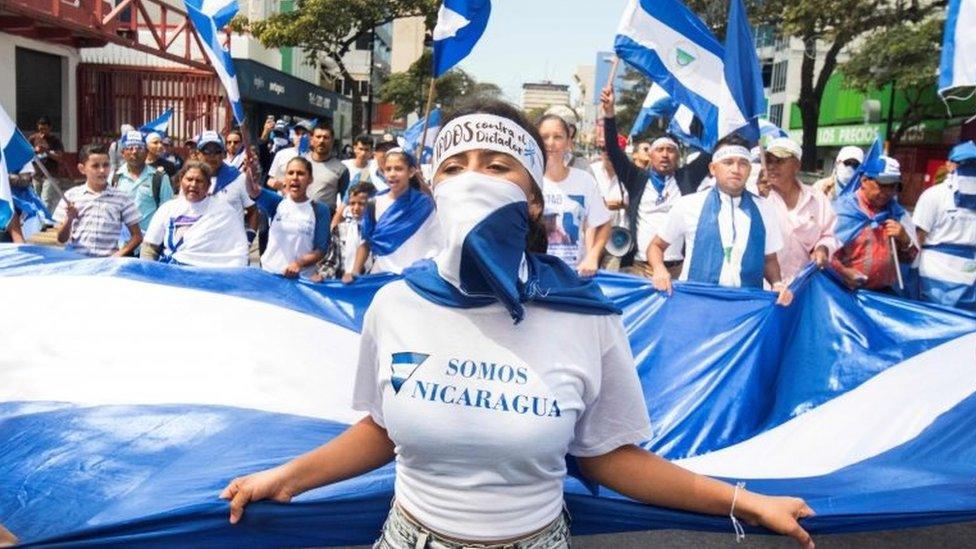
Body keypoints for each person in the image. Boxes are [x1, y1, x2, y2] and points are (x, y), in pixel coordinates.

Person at [219, 100, 816, 549]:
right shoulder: (396, 306)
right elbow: (384, 427)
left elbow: (609, 456)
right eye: (454, 166)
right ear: (436, 190)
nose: (473, 178)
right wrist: (287, 477)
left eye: (497, 165)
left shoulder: (584, 318)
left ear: (534, 200)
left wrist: (746, 502)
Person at [648, 135, 793, 306]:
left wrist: (777, 283)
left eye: (743, 163)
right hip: (696, 304)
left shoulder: (765, 208)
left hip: (745, 308)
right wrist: (659, 269)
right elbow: (655, 246)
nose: (736, 169)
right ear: (713, 168)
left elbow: (769, 259)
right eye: (728, 162)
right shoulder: (688, 204)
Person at [600, 87, 709, 277]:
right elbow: (614, 151)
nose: (665, 155)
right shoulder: (637, 179)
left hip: (678, 270)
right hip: (640, 268)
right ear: (650, 155)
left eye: (670, 150)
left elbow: (710, 151)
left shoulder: (687, 179)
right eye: (659, 150)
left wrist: (714, 111)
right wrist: (609, 114)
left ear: (678, 155)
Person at [345, 148, 440, 281]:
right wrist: (354, 272)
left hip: (414, 280)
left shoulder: (425, 205)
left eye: (398, 169)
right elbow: (366, 242)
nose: (392, 174)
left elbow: (436, 243)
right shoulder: (373, 203)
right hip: (380, 278)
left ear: (411, 172)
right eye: (388, 169)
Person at [538, 113, 612, 276]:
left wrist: (593, 256)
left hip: (575, 275)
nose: (551, 143)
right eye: (544, 137)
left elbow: (604, 224)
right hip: (538, 275)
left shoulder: (584, 180)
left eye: (558, 137)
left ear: (569, 143)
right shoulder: (528, 182)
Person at [832, 155, 919, 292]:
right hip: (846, 293)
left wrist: (905, 240)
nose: (887, 192)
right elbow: (822, 253)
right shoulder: (843, 212)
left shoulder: (897, 214)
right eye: (882, 185)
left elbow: (910, 260)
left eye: (893, 186)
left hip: (883, 295)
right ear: (864, 180)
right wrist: (843, 272)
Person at [141, 161, 249, 267]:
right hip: (168, 275)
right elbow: (149, 248)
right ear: (180, 180)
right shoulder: (167, 209)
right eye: (189, 179)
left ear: (208, 185)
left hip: (207, 277)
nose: (193, 185)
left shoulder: (224, 212)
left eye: (199, 181)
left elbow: (238, 253)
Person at [762, 137, 839, 283]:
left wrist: (823, 248)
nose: (772, 166)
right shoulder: (758, 197)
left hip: (805, 286)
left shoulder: (817, 199)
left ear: (797, 165)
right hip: (766, 289)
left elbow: (830, 235)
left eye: (779, 160)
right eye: (769, 161)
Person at [912, 141, 976, 310]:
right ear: (948, 165)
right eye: (962, 163)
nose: (968, 167)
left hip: (970, 277)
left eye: (973, 163)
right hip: (935, 276)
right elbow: (917, 237)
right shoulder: (933, 196)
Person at [54, 144, 143, 257]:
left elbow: (137, 236)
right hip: (77, 263)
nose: (102, 170)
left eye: (106, 165)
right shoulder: (71, 197)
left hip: (107, 266)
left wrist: (118, 255)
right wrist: (69, 219)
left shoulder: (122, 198)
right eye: (95, 166)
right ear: (82, 169)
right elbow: (61, 239)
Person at [254, 156, 331, 279]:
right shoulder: (276, 203)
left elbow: (320, 250)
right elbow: (253, 190)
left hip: (301, 280)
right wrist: (250, 171)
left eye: (300, 174)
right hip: (270, 275)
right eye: (290, 173)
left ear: (310, 179)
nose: (295, 177)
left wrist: (298, 264)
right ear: (285, 178)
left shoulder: (320, 210)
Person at [111, 130, 174, 253]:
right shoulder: (114, 177)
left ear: (146, 152)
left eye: (139, 147)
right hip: (120, 246)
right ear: (123, 152)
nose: (134, 152)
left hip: (149, 247)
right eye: (129, 147)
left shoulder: (159, 178)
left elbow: (168, 213)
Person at [195, 130, 259, 243]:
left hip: (231, 249)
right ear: (198, 154)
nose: (212, 156)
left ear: (224, 154)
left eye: (217, 151)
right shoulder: (190, 180)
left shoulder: (238, 178)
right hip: (199, 247)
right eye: (206, 151)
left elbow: (253, 211)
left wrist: (248, 240)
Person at [317, 181, 377, 280]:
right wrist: (322, 275)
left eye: (361, 204)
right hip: (344, 283)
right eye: (352, 203)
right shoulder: (340, 229)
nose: (356, 208)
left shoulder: (378, 231)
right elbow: (332, 260)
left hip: (369, 284)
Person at [304, 123, 349, 210]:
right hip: (300, 214)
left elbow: (345, 200)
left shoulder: (341, 169)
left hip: (325, 218)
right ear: (311, 140)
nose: (321, 141)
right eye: (318, 137)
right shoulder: (301, 162)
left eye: (326, 137)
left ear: (332, 141)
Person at [28, 117, 65, 215]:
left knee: (46, 200)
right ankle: (38, 221)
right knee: (36, 199)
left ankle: (45, 221)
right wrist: (35, 151)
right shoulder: (33, 138)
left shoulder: (55, 141)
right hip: (36, 175)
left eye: (45, 129)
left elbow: (60, 158)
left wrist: (47, 151)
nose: (42, 132)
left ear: (50, 128)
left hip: (50, 175)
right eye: (40, 129)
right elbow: (27, 154)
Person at [267, 119, 314, 190]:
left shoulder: (315, 158)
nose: (300, 137)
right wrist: (281, 185)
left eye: (304, 134)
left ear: (311, 137)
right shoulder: (281, 154)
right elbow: (270, 179)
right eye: (297, 134)